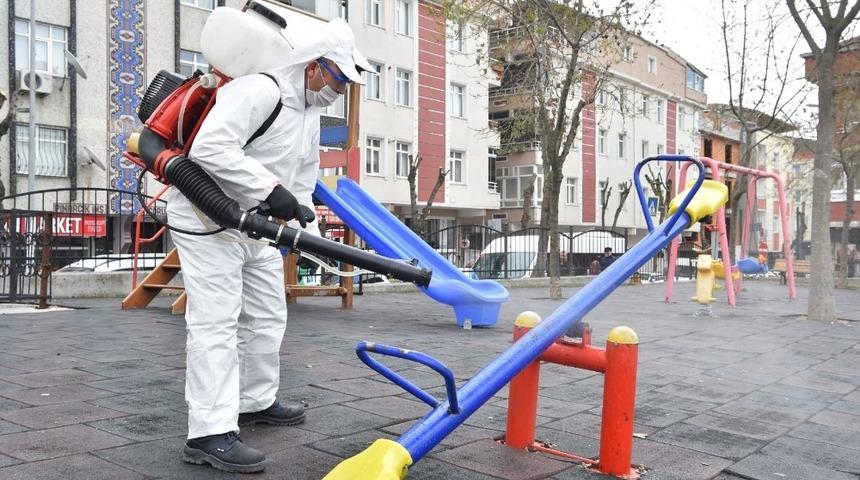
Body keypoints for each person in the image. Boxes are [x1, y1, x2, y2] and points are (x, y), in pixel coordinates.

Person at [167, 18, 372, 473]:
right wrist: (268, 190)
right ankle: (208, 433)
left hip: (254, 225)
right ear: (315, 66)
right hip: (206, 217)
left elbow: (302, 177)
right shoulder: (261, 90)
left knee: (267, 313)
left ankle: (254, 400)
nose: (340, 90)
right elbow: (209, 149)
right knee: (216, 322)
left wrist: (304, 226)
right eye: (338, 79)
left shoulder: (310, 113)